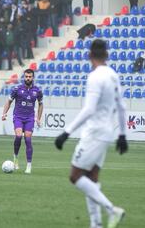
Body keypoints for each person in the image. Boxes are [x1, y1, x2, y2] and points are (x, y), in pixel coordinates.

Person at [54, 39, 128, 228]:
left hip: (94, 132)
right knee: (91, 179)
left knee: (75, 176)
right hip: (107, 132)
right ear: (107, 55)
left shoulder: (95, 77)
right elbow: (122, 106)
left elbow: (89, 109)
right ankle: (96, 224)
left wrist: (66, 132)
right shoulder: (113, 75)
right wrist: (122, 135)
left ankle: (112, 210)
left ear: (89, 55)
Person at [1, 69, 43, 174]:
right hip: (18, 117)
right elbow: (9, 101)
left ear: (33, 77)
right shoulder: (17, 89)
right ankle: (15, 158)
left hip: (29, 118)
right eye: (26, 76)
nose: (28, 78)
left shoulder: (37, 90)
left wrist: (38, 118)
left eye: (30, 76)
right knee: (19, 136)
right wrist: (4, 113)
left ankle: (29, 166)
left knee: (28, 139)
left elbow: (41, 104)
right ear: (24, 77)